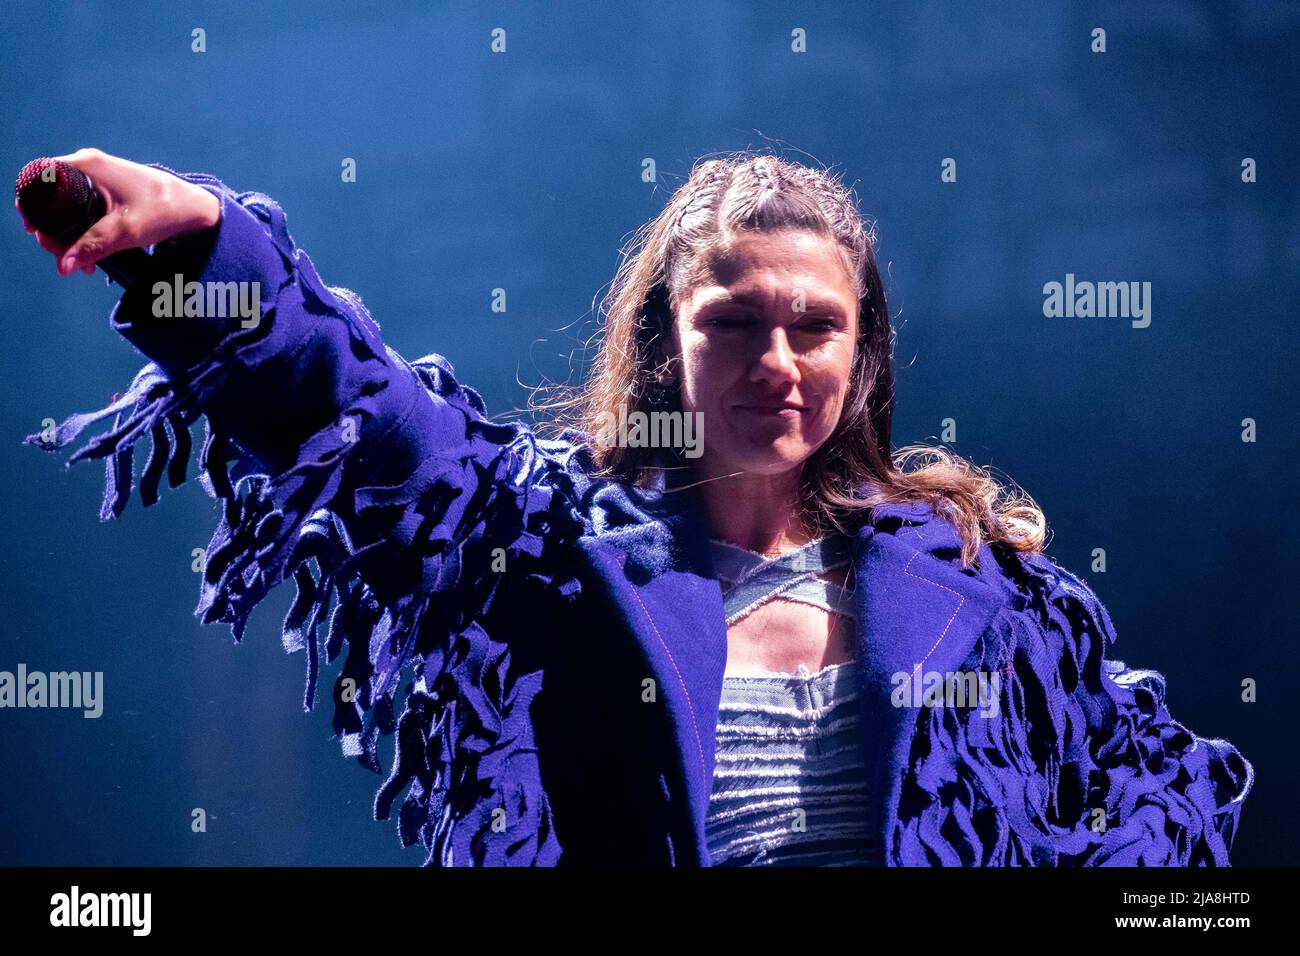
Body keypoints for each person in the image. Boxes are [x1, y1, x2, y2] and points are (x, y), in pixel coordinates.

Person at [20, 148, 1253, 866]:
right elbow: (359, 414)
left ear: (861, 353)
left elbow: (1167, 801)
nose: (779, 358)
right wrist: (201, 239)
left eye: (816, 325)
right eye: (734, 323)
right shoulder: (551, 545)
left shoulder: (993, 596)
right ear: (669, 347)